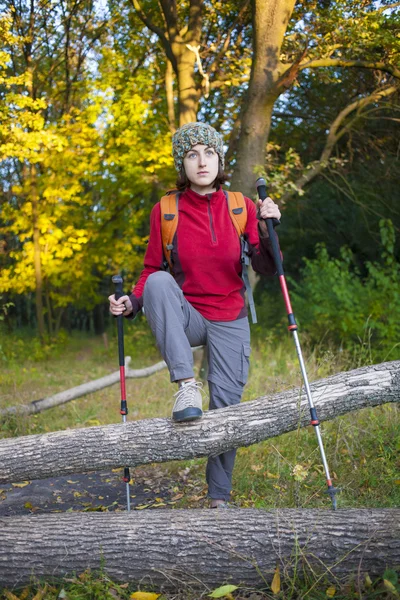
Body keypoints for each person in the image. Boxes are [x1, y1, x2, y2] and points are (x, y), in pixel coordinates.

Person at [109, 122, 281, 508]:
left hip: (230, 315)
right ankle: (187, 385)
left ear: (219, 159)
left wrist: (270, 227)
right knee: (157, 284)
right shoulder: (166, 210)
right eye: (191, 154)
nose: (200, 161)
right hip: (188, 315)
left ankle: (219, 497)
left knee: (226, 409)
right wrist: (131, 303)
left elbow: (268, 266)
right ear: (182, 164)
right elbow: (152, 269)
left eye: (207, 152)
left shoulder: (241, 206)